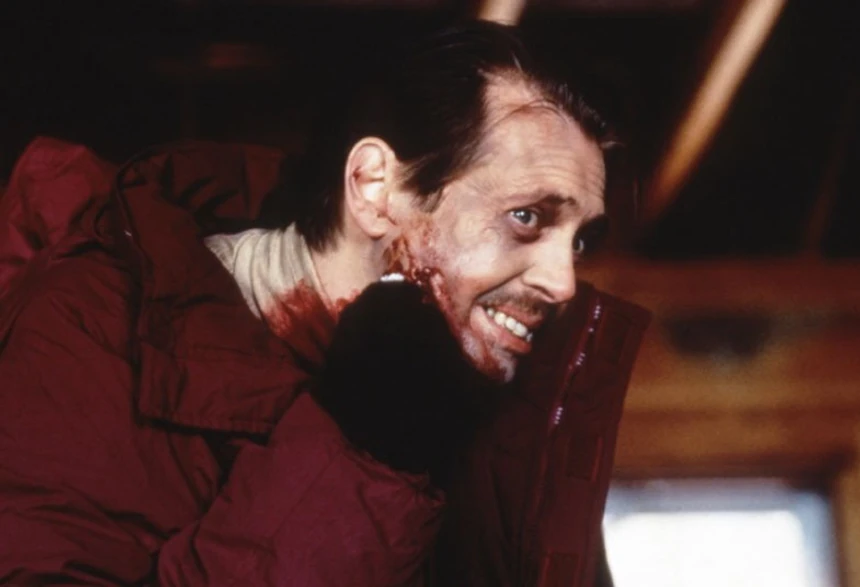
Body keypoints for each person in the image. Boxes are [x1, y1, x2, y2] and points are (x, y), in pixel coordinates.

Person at [0, 21, 649, 585]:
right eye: (527, 217)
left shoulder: (514, 403)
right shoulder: (88, 337)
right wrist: (365, 456)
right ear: (373, 187)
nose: (564, 282)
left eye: (580, 239)